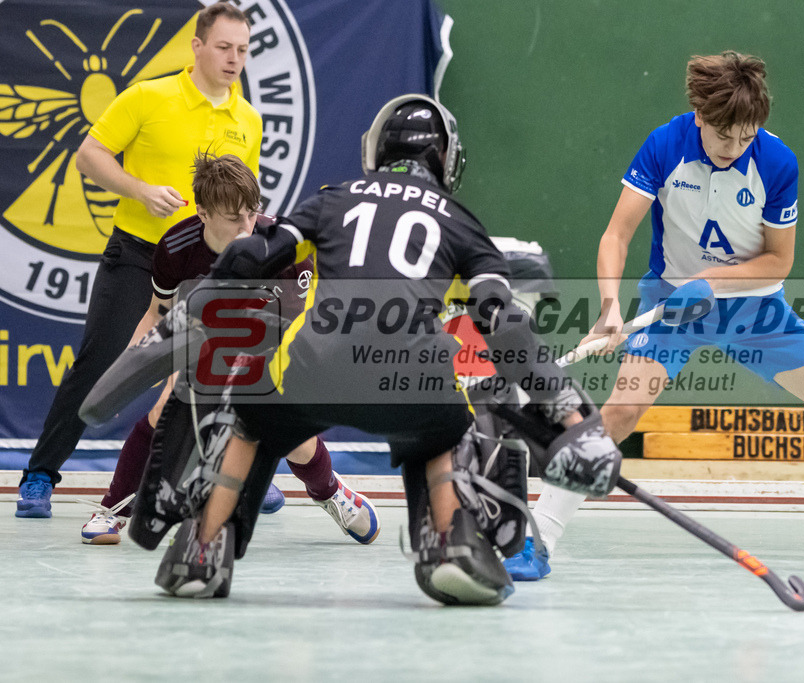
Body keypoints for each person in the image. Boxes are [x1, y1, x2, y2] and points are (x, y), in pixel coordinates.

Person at [142, 94, 621, 603]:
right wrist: (573, 419)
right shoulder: (461, 223)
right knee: (451, 423)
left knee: (246, 416)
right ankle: (452, 539)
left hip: (312, 369)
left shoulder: (330, 200)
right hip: (409, 379)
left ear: (374, 152)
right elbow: (505, 326)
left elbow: (256, 253)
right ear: (448, 160)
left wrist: (191, 311)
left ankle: (202, 547)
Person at [504, 50, 804, 580]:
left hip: (756, 306)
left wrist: (710, 283)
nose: (734, 148)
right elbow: (617, 235)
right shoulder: (665, 146)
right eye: (724, 137)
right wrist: (609, 308)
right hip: (669, 306)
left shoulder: (777, 163)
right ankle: (539, 539)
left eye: (746, 137)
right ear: (700, 116)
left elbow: (778, 261)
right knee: (619, 414)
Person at [17, 2, 262, 518]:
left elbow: (245, 200)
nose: (234, 58)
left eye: (242, 49)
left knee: (218, 374)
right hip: (138, 255)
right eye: (223, 47)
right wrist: (141, 191)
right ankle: (40, 475)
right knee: (101, 364)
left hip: (207, 266)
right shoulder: (149, 96)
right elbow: (89, 155)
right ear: (197, 47)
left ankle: (229, 472)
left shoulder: (248, 118)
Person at [79, 153, 380, 547]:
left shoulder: (287, 249)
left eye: (252, 213)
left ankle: (330, 491)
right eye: (233, 217)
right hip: (202, 340)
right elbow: (157, 315)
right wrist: (125, 376)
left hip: (272, 343)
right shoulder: (176, 248)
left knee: (288, 432)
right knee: (167, 404)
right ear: (203, 213)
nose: (246, 226)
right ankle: (113, 509)